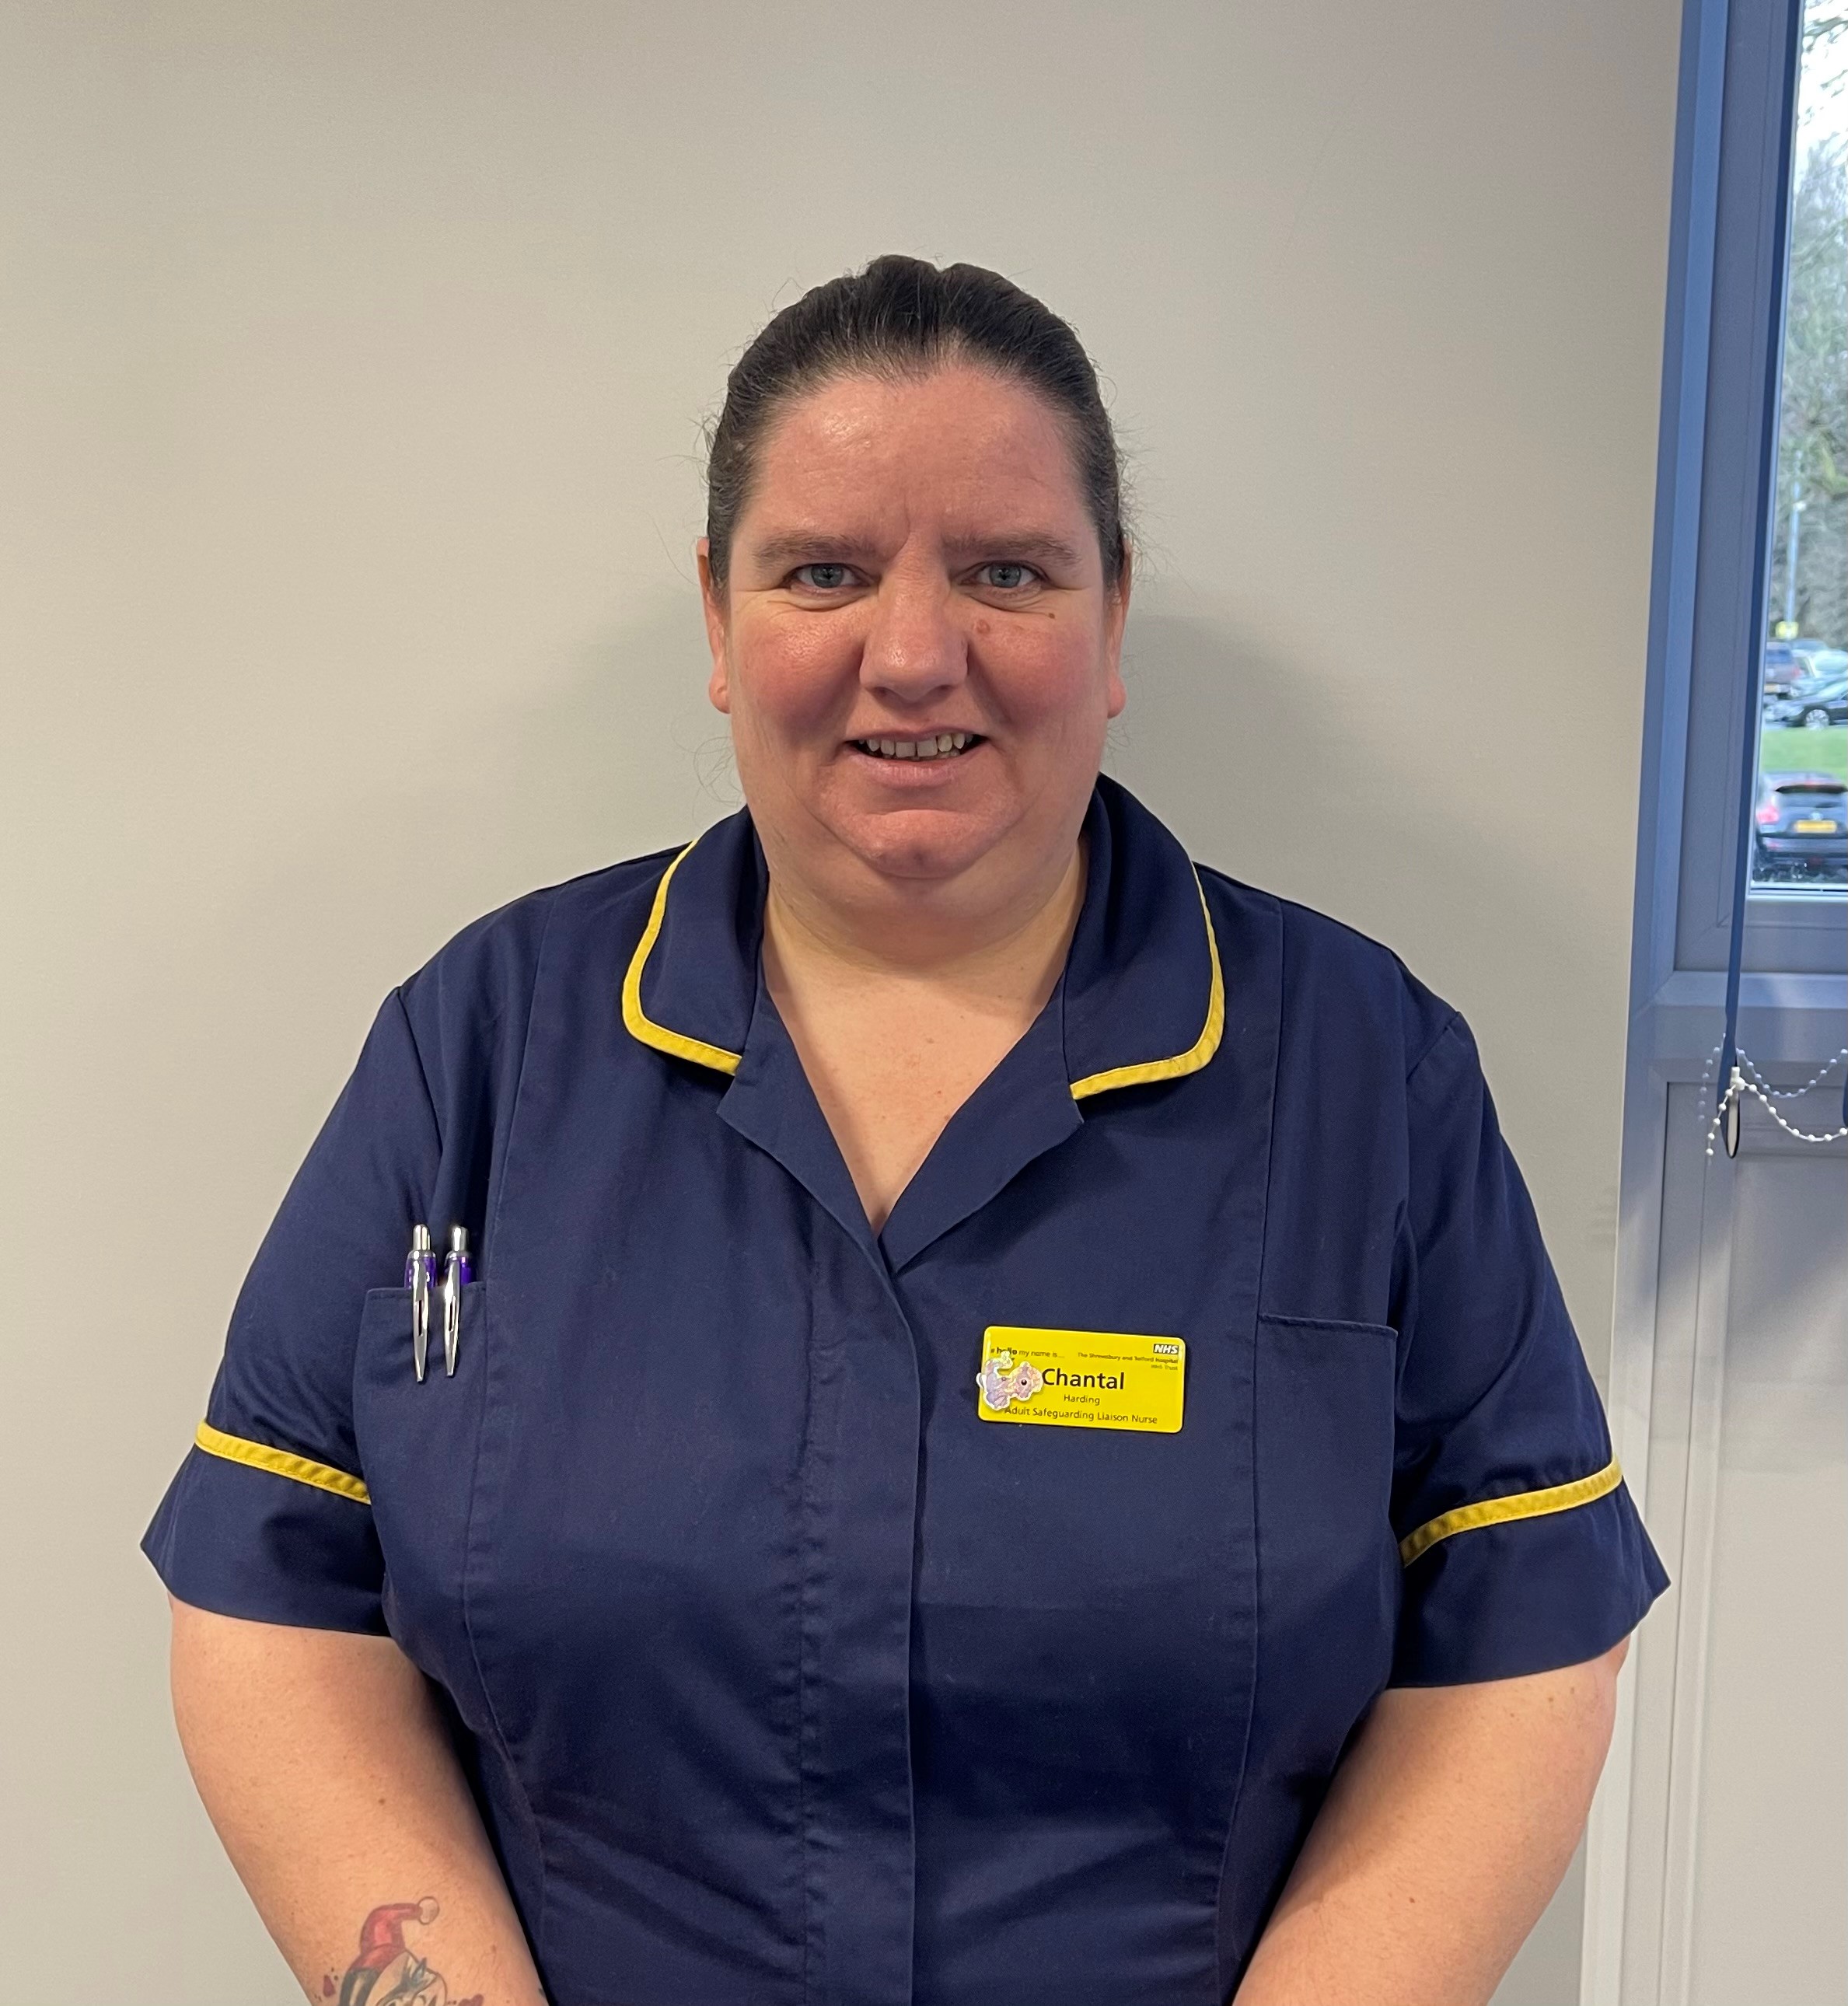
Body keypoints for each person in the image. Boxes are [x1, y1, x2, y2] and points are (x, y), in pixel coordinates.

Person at [146, 254, 1668, 2006]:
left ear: (1110, 621)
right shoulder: (481, 1046)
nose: (914, 651)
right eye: (825, 573)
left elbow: (1523, 1639)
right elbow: (274, 1599)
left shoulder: (1361, 1070)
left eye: (1007, 571)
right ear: (719, 623)